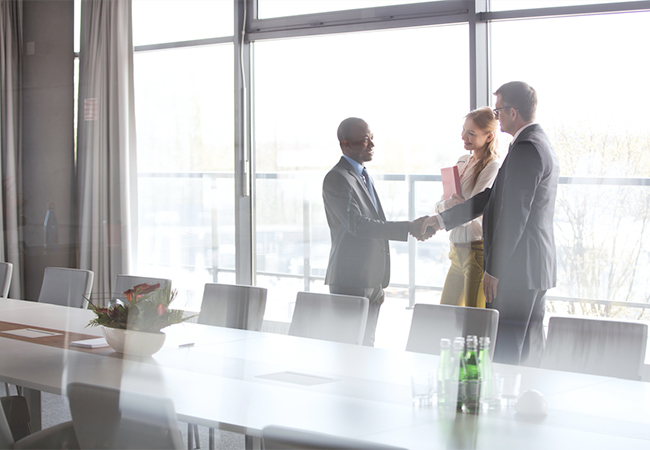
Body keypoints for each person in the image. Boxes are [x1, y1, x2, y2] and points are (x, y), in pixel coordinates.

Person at [421, 82, 559, 366]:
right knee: (528, 352)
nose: (496, 117)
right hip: (534, 266)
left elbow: (514, 214)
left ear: (512, 112)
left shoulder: (526, 148)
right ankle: (523, 404)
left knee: (506, 353)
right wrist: (440, 220)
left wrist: (494, 270)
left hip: (519, 268)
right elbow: (491, 198)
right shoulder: (537, 142)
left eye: (498, 110)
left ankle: (504, 408)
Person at [323, 117, 430, 346]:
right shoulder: (337, 178)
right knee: (348, 348)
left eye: (372, 138)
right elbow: (358, 225)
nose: (372, 144)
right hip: (351, 279)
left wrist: (378, 284)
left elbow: (373, 222)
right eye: (364, 140)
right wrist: (408, 227)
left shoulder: (363, 175)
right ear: (346, 144)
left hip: (371, 279)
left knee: (367, 345)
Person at [436, 107, 500, 308]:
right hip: (456, 251)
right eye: (464, 130)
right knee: (445, 314)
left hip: (476, 252)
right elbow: (439, 205)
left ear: (489, 136)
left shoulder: (492, 166)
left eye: (471, 133)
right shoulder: (462, 162)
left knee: (473, 321)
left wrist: (453, 208)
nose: (464, 136)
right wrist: (450, 206)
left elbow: (474, 210)